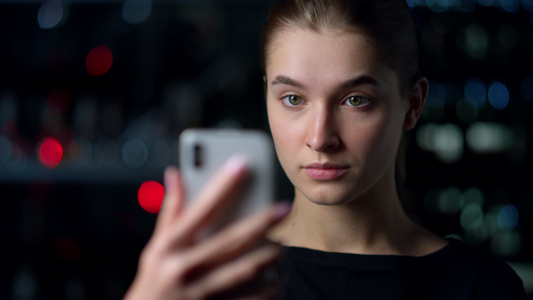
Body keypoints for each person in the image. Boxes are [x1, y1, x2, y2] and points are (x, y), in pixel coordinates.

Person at [125, 0, 526, 299]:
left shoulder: (481, 288)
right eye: (293, 99)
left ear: (413, 104)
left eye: (355, 100)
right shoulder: (207, 276)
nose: (320, 138)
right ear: (266, 94)